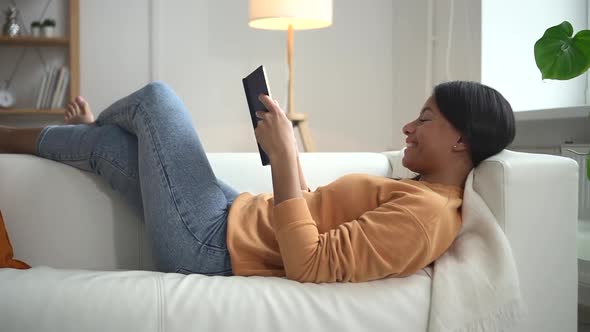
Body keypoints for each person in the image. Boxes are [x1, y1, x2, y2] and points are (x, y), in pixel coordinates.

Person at [0, 80, 515, 283]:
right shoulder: (419, 193)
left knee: (157, 100)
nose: (408, 126)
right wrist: (284, 164)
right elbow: (317, 220)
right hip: (233, 218)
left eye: (424, 119)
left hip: (211, 246)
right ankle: (79, 134)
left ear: (461, 140)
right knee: (113, 147)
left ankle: (88, 128)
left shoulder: (427, 217)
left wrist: (288, 158)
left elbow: (311, 263)